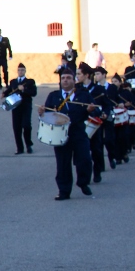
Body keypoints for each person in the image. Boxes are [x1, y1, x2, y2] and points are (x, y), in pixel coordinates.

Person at [38, 70, 94, 200]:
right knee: (62, 164)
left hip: (79, 132)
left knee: (85, 160)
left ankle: (83, 183)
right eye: (63, 78)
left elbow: (94, 109)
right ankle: (64, 191)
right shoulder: (53, 95)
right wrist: (41, 112)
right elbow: (47, 114)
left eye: (69, 78)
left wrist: (91, 110)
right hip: (60, 134)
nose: (65, 80)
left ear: (74, 81)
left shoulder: (84, 95)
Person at [77, 63, 107, 183]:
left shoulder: (99, 89)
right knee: (83, 153)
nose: (77, 76)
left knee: (96, 149)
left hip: (94, 123)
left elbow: (106, 104)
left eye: (79, 74)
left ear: (87, 75)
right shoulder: (77, 89)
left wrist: (105, 112)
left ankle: (98, 171)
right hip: (80, 123)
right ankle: (85, 176)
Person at [3, 63, 37, 154]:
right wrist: (4, 94)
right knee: (16, 128)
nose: (20, 71)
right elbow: (10, 89)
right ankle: (19, 148)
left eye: (22, 70)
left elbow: (33, 93)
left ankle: (28, 145)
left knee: (26, 125)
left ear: (25, 71)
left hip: (26, 106)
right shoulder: (13, 81)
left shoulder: (30, 82)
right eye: (19, 70)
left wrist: (24, 89)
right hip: (16, 107)